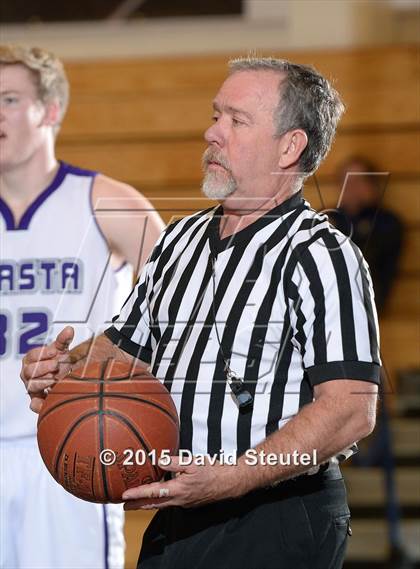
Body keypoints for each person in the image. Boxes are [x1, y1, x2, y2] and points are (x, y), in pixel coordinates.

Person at [21, 57, 380, 569]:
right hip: (183, 505)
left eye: (237, 121)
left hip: (276, 514)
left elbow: (350, 409)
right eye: (216, 116)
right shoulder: (181, 238)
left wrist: (232, 476)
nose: (212, 132)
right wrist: (64, 369)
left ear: (290, 146)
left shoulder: (322, 254)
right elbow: (123, 346)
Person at [0, 45, 164, 569]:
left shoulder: (107, 201)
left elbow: (179, 306)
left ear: (50, 111)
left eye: (8, 99)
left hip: (68, 446)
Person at [330, 156, 404, 315]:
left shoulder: (386, 221)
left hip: (368, 301)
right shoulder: (328, 217)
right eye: (345, 181)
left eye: (357, 180)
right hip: (328, 300)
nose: (350, 187)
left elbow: (370, 262)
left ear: (372, 185)